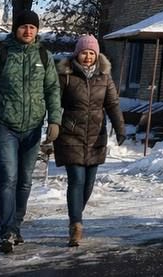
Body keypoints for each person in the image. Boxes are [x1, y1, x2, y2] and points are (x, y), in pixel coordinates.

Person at [0, 10, 62, 254]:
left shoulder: (44, 56)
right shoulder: (0, 56)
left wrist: (54, 120)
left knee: (25, 181)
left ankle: (16, 225)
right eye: (24, 26)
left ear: (37, 31)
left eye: (32, 27)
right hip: (5, 127)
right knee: (8, 178)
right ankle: (6, 232)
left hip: (33, 128)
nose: (28, 31)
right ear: (16, 29)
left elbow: (52, 89)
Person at [54, 34, 125, 247]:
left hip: (95, 136)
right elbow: (54, 102)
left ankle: (76, 215)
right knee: (76, 179)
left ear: (97, 55)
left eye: (91, 53)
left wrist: (120, 128)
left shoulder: (104, 77)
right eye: (84, 53)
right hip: (70, 134)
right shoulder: (66, 75)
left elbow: (112, 104)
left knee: (88, 184)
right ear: (77, 54)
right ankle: (76, 224)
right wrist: (53, 125)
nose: (87, 57)